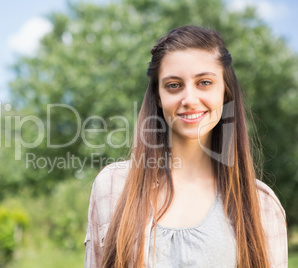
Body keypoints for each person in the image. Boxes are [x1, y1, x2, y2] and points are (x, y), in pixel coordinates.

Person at [84, 25, 287, 268]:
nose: (189, 100)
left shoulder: (261, 205)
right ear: (158, 97)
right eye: (174, 85)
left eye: (204, 82)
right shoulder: (113, 187)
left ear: (225, 91)